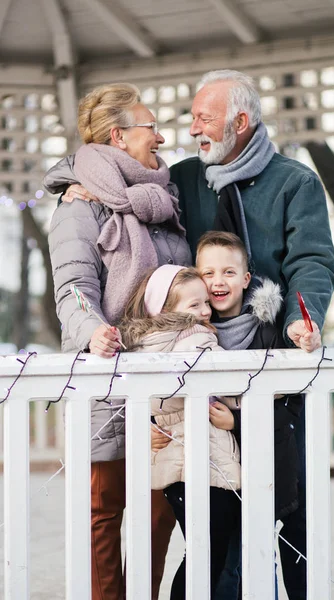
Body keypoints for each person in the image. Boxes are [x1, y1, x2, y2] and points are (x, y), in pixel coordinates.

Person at [169, 70, 334, 599]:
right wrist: (78, 184)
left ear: (240, 121)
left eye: (205, 116)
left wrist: (302, 318)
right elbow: (129, 186)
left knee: (296, 506)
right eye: (193, 115)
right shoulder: (183, 179)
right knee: (217, 517)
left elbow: (312, 260)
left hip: (277, 366)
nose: (193, 126)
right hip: (207, 372)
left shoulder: (296, 181)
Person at [46, 83, 191, 600]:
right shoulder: (78, 208)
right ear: (119, 135)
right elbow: (73, 290)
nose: (162, 135)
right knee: (102, 515)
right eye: (151, 126)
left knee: (158, 515)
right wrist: (93, 333)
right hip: (106, 379)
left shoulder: (163, 202)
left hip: (162, 387)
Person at [118, 264, 242, 600]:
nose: (205, 311)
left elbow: (147, 401)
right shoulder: (197, 339)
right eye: (194, 305)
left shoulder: (143, 345)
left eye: (205, 302)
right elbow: (234, 383)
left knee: (201, 551)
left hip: (175, 466)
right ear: (166, 310)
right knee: (207, 553)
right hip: (205, 460)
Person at [196, 231, 307, 599]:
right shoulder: (190, 330)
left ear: (246, 279)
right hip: (213, 465)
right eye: (208, 273)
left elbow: (287, 406)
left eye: (228, 272)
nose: (217, 281)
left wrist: (238, 422)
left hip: (265, 460)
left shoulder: (270, 330)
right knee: (219, 556)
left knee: (259, 551)